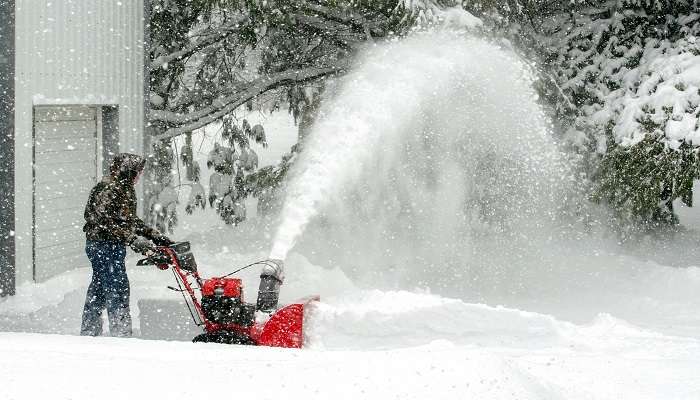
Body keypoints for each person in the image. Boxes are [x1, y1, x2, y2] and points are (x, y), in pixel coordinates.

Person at [80, 153, 173, 337]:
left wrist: (153, 235)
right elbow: (104, 221)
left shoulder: (124, 188)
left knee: (99, 289)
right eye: (137, 173)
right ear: (127, 172)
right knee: (117, 288)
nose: (139, 176)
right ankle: (121, 335)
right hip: (102, 245)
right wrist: (132, 239)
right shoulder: (107, 189)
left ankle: (90, 333)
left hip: (112, 245)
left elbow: (127, 220)